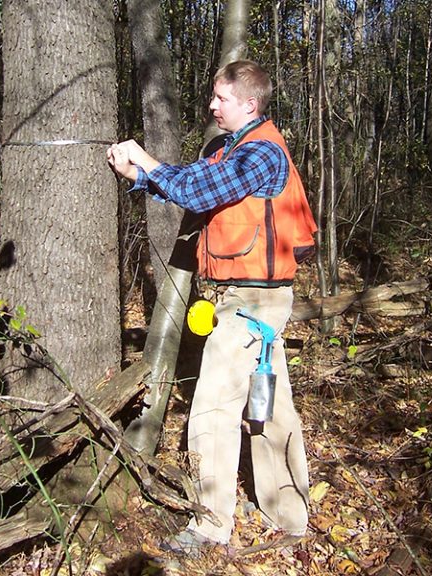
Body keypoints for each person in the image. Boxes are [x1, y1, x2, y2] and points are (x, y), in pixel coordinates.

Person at [107, 60, 317, 554]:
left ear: (250, 104)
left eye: (221, 98)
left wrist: (146, 158)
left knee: (214, 406)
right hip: (247, 299)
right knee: (271, 407)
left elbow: (199, 190)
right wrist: (141, 174)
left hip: (252, 300)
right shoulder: (230, 150)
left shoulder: (263, 153)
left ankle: (209, 524)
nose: (212, 105)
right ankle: (289, 513)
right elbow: (188, 180)